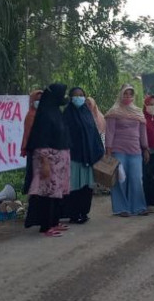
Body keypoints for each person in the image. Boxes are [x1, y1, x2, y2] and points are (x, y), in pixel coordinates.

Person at [23, 83, 72, 237]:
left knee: (57, 193)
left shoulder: (56, 111)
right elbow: (41, 139)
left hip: (60, 159)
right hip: (48, 159)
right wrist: (44, 162)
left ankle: (55, 222)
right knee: (47, 193)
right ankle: (46, 226)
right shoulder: (44, 114)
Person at [105, 84, 150, 217]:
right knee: (120, 179)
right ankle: (121, 208)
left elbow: (142, 132)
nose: (128, 96)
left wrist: (145, 148)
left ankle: (139, 207)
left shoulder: (138, 111)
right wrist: (108, 151)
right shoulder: (114, 111)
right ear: (121, 94)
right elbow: (110, 132)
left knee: (136, 178)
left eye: (130, 94)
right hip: (118, 150)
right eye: (125, 94)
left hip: (135, 151)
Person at [61, 87, 105, 224]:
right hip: (74, 157)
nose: (79, 98)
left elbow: (94, 134)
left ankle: (84, 212)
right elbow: (64, 136)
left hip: (89, 157)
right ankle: (74, 214)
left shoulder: (87, 112)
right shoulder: (67, 114)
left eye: (81, 95)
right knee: (75, 186)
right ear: (70, 98)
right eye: (75, 95)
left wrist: (99, 152)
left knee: (87, 186)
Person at [20, 89, 44, 158]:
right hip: (33, 148)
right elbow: (27, 133)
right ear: (32, 101)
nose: (39, 102)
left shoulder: (46, 114)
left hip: (45, 150)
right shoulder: (30, 115)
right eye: (37, 100)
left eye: (41, 100)